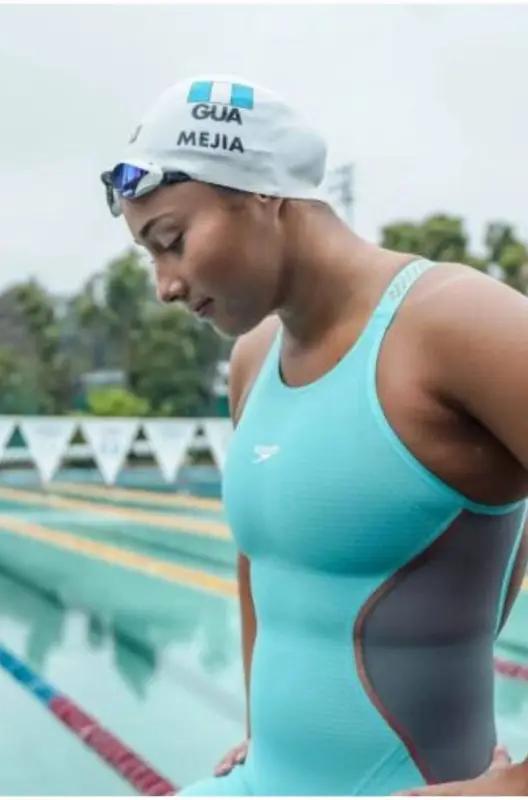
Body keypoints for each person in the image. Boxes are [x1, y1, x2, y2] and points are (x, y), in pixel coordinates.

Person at [100, 74, 528, 796]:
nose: (164, 285)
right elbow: (259, 564)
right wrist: (263, 732)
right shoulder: (252, 359)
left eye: (170, 241)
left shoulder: (460, 324)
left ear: (264, 193)